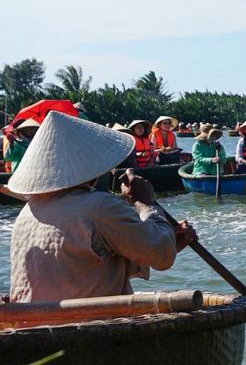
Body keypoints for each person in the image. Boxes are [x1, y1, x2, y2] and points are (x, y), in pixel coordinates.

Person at [6, 111, 197, 303]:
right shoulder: (100, 206)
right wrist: (144, 204)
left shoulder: (27, 213)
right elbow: (161, 257)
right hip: (89, 326)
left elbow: (86, 265)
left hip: (31, 323)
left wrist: (167, 240)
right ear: (93, 170)